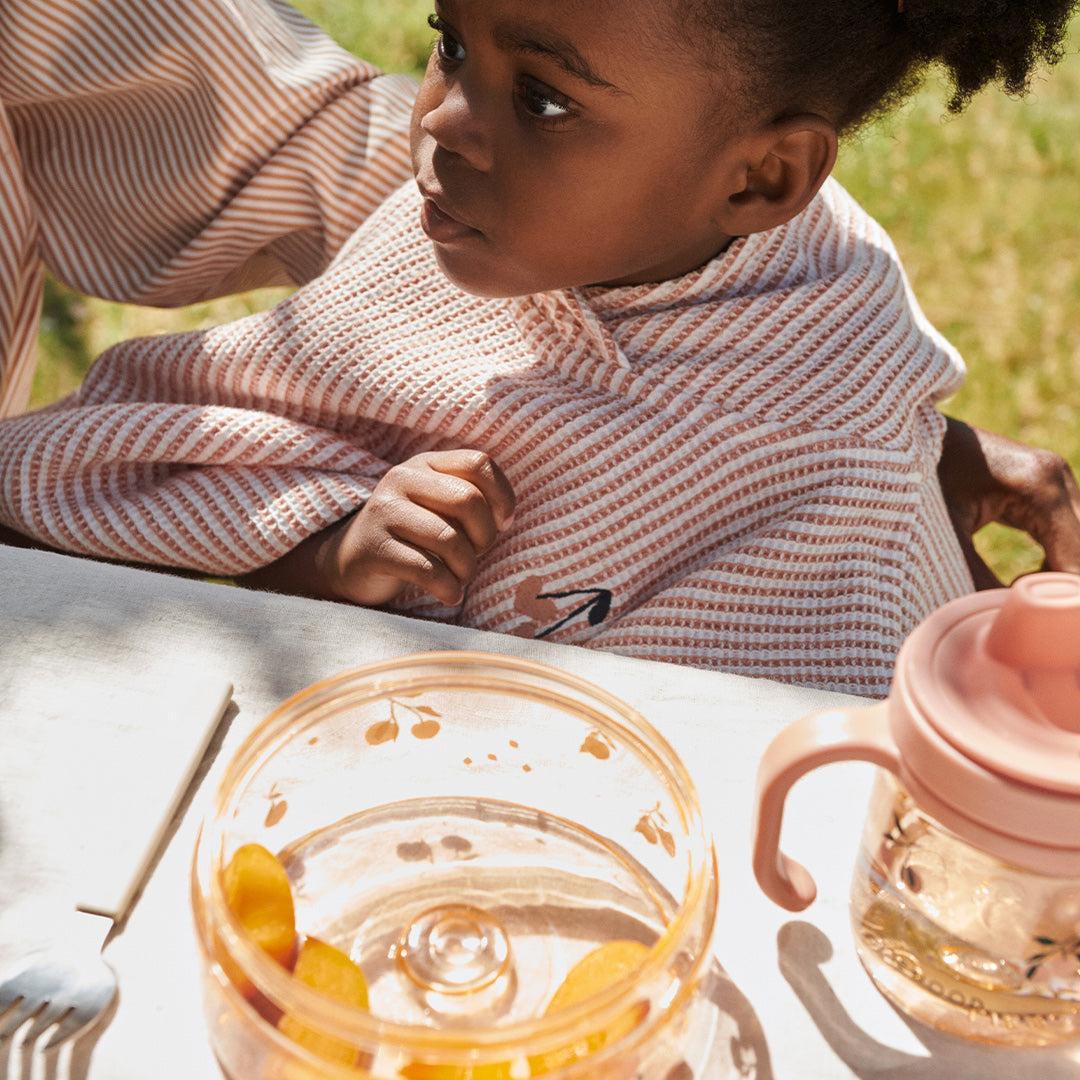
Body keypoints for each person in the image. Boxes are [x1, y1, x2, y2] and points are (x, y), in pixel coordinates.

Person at [0, 0, 1077, 695]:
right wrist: (324, 559)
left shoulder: (827, 340)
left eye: (543, 96)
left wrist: (881, 423)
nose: (440, 121)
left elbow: (767, 744)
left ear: (763, 182)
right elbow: (139, 512)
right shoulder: (441, 253)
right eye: (449, 41)